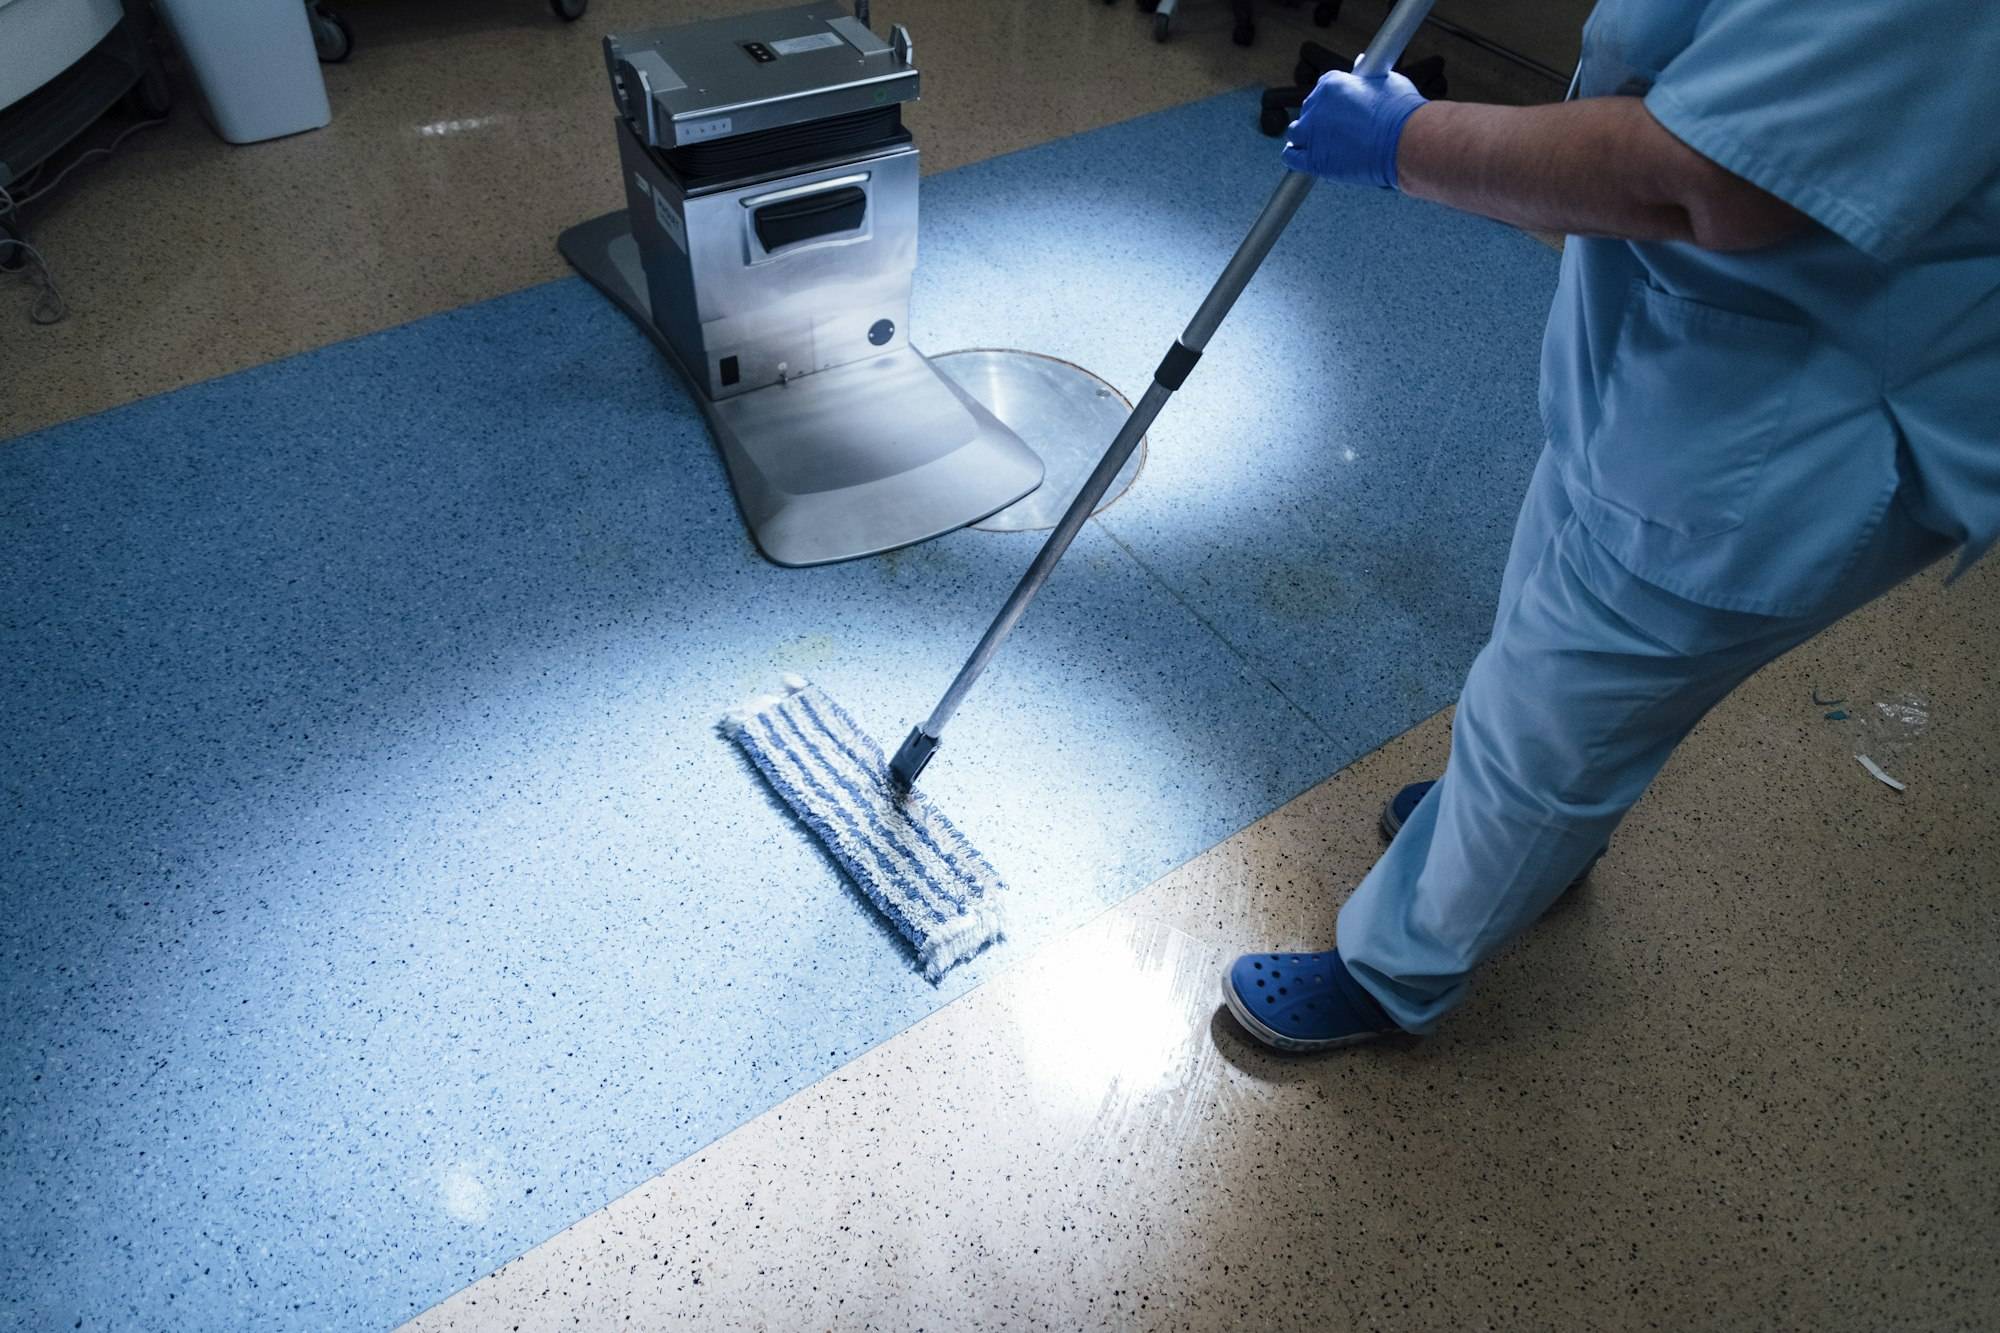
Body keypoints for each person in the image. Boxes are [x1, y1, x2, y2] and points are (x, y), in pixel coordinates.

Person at [1220, 0, 2000, 1051]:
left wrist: (1406, 144)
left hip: (1788, 426)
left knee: (1560, 706)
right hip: (1675, 341)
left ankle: (1393, 969)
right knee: (1544, 619)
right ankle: (1514, 841)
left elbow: (1701, 174)